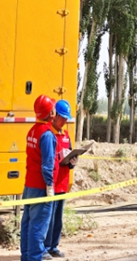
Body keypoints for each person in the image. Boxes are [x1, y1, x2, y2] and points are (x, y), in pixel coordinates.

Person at [21, 95, 58, 261]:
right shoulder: (47, 135)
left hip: (29, 186)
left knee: (27, 224)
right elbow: (47, 165)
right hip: (41, 187)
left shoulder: (33, 130)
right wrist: (50, 187)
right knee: (38, 227)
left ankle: (26, 257)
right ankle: (35, 258)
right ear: (51, 113)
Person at [44, 99, 77, 258]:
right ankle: (45, 247)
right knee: (48, 218)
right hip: (51, 183)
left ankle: (53, 246)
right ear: (54, 115)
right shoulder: (48, 134)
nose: (64, 121)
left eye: (66, 118)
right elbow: (47, 159)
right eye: (62, 117)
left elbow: (69, 154)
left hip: (62, 183)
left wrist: (72, 162)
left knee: (58, 218)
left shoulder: (66, 135)